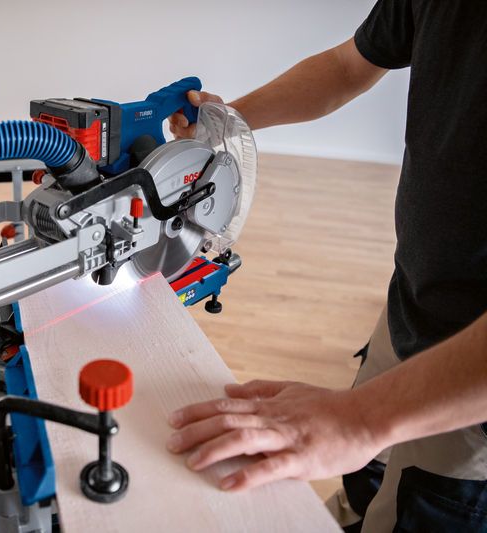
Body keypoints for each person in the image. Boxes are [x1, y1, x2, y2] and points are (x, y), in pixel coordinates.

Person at [166, 2, 487, 531]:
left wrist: (360, 420)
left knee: (413, 504)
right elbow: (346, 66)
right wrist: (227, 123)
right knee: (367, 478)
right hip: (413, 295)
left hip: (471, 382)